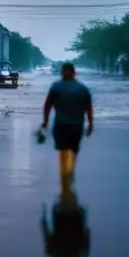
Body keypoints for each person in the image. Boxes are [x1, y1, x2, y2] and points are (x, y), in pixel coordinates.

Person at [40, 62, 93, 195]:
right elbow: (88, 108)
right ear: (74, 72)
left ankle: (65, 173)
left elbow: (47, 105)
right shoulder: (82, 88)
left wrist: (45, 122)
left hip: (61, 126)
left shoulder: (56, 87)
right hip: (76, 126)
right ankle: (70, 171)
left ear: (63, 72)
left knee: (63, 151)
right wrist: (91, 124)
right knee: (73, 151)